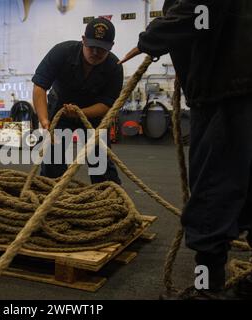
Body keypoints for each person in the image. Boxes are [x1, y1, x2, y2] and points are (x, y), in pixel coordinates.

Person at [121, 0, 252, 299]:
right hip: (238, 89)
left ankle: (207, 288)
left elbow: (201, 11)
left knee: (211, 192)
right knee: (246, 190)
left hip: (225, 94)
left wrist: (150, 40)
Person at [32, 17, 123, 185]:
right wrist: (44, 121)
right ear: (83, 40)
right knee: (53, 155)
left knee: (100, 159)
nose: (95, 52)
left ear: (111, 46)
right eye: (91, 47)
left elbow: (107, 104)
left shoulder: (115, 67)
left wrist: (80, 113)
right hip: (59, 109)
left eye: (101, 49)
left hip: (94, 116)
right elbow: (39, 87)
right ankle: (52, 196)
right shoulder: (61, 52)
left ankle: (108, 197)